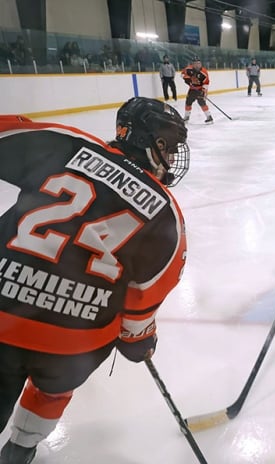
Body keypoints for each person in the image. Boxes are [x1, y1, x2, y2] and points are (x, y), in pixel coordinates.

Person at [0, 97, 189, 463]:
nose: (172, 155)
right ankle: (20, 449)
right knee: (53, 390)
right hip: (73, 341)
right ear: (154, 143)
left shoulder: (65, 142)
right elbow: (145, 296)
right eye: (170, 144)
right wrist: (138, 341)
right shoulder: (166, 212)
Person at [181, 56, 213, 124]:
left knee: (202, 103)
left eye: (198, 63)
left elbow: (206, 83)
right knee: (188, 102)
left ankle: (209, 117)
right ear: (192, 64)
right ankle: (186, 117)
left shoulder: (204, 72)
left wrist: (203, 91)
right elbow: (182, 74)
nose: (197, 65)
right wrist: (187, 79)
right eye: (195, 63)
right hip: (192, 89)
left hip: (200, 89)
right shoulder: (188, 69)